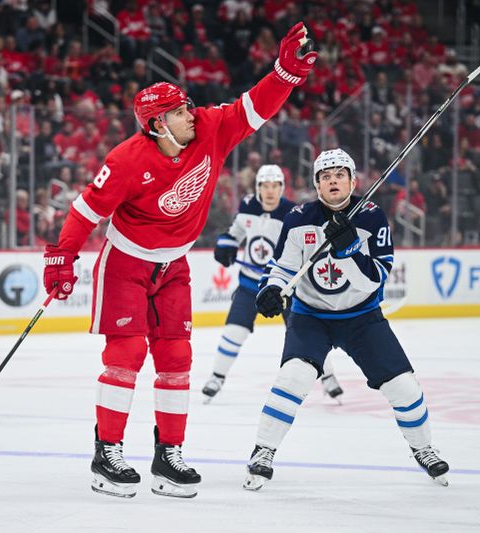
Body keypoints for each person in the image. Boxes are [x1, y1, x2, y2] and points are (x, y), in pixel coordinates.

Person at [42, 22, 317, 499]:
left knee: (176, 358)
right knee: (126, 356)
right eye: (178, 110)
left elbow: (253, 108)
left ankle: (168, 456)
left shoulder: (210, 128)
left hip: (175, 265)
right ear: (156, 124)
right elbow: (86, 209)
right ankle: (106, 453)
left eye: (188, 105)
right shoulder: (128, 160)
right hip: (126, 264)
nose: (191, 112)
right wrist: (61, 257)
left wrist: (285, 73)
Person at [243, 149, 449, 490]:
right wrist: (272, 288)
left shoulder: (372, 217)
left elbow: (374, 280)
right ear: (317, 185)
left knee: (403, 386)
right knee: (292, 378)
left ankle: (424, 448)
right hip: (310, 316)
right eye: (325, 176)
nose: (333, 181)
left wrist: (350, 249)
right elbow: (281, 266)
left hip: (362, 317)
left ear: (353, 181)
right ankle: (263, 451)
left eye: (340, 174)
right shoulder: (298, 217)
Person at [202, 165, 345, 404]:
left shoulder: (293, 214)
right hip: (250, 284)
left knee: (307, 335)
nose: (270, 191)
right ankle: (217, 377)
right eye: (265, 186)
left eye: (275, 186)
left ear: (282, 188)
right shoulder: (248, 206)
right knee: (233, 331)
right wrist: (225, 244)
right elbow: (234, 233)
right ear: (258, 188)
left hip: (284, 287)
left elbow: (306, 245)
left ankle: (329, 378)